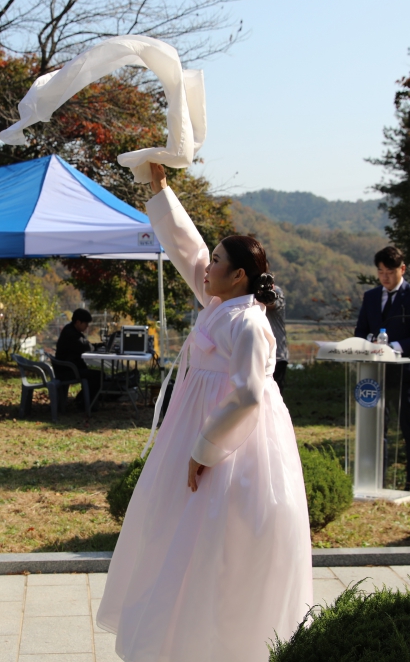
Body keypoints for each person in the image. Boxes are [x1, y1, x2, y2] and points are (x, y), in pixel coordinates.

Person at [96, 164, 312, 662]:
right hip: (201, 428)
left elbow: (249, 396)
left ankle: (224, 641)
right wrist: (161, 191)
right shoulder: (218, 303)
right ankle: (179, 636)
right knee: (182, 533)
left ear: (238, 276)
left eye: (218, 262)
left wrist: (204, 450)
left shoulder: (248, 323)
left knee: (220, 537)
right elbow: (188, 251)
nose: (206, 267)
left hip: (235, 443)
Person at [354, 245, 410, 491]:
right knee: (377, 427)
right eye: (380, 272)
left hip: (404, 372)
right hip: (374, 372)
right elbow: (360, 331)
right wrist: (368, 344)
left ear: (402, 269)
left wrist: (394, 346)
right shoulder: (371, 297)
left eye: (390, 271)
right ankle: (377, 478)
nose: (385, 277)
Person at [53, 309, 102, 409]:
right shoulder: (72, 334)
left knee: (94, 375)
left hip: (67, 368)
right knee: (98, 376)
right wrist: (97, 347)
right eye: (86, 323)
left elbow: (85, 344)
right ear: (78, 322)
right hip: (67, 371)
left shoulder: (71, 329)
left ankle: (83, 401)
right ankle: (85, 404)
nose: (87, 326)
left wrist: (97, 346)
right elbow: (85, 346)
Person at [265, 284, 288, 395]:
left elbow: (270, 304)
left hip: (277, 356)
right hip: (258, 355)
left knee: (275, 397)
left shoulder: (276, 291)